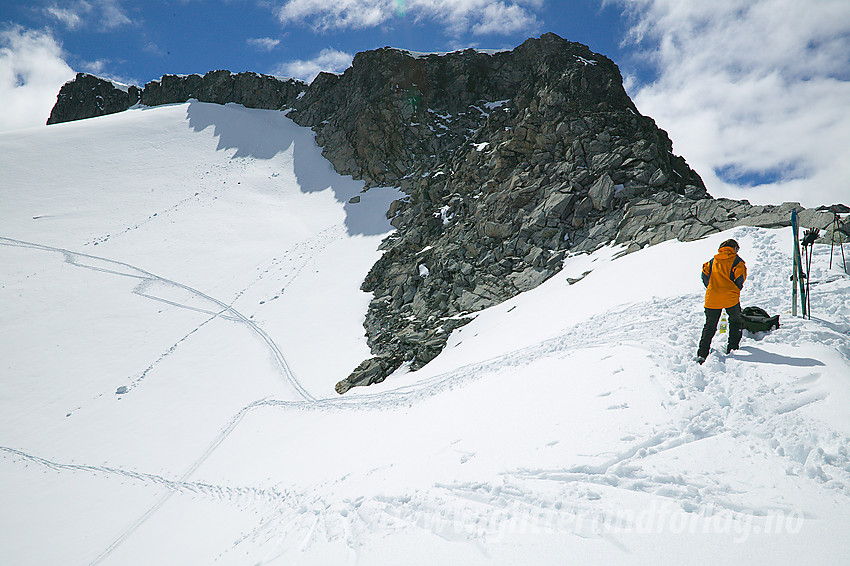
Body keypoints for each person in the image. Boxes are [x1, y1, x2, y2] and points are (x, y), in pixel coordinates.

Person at [697, 239, 747, 364]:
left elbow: (704, 275)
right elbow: (740, 279)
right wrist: (735, 289)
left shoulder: (712, 261)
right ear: (734, 248)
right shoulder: (737, 261)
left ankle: (702, 353)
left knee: (709, 326)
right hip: (730, 297)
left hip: (712, 297)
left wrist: (712, 287)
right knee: (735, 321)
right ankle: (733, 348)